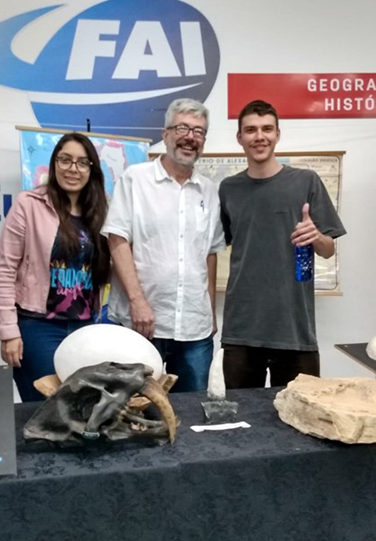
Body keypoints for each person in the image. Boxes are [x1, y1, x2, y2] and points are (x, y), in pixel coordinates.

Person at [218, 100, 346, 388]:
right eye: (251, 130)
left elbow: (328, 250)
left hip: (294, 328)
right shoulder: (228, 189)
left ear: (277, 134)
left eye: (267, 129)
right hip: (242, 328)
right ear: (240, 137)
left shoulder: (306, 181)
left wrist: (316, 236)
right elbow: (216, 246)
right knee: (239, 411)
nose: (259, 136)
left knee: (301, 411)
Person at [102, 98, 225, 392]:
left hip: (194, 329)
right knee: (134, 408)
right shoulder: (136, 179)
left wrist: (210, 310)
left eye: (198, 131)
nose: (190, 137)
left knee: (193, 409)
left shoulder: (209, 191)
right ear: (166, 134)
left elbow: (209, 254)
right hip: (141, 323)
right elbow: (117, 240)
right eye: (182, 128)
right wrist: (137, 301)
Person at [0, 133, 110, 402]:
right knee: (47, 408)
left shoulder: (100, 211)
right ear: (54, 163)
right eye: (65, 160)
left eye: (82, 162)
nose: (73, 168)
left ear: (91, 169)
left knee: (82, 407)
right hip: (38, 327)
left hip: (84, 328)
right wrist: (8, 332)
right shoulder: (29, 204)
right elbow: (5, 271)